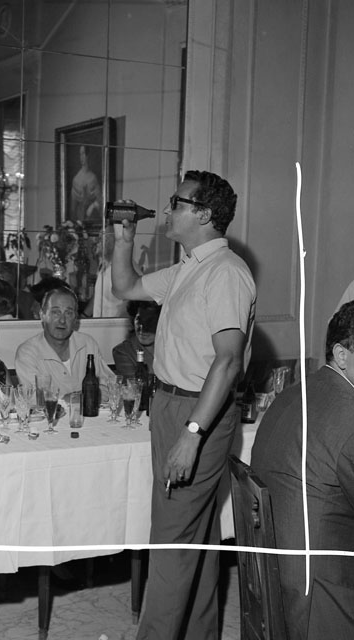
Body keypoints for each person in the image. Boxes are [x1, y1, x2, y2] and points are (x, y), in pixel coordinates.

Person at [111, 170, 256, 640]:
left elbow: (228, 361)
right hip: (171, 404)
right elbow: (125, 287)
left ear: (205, 214)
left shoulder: (226, 272)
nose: (167, 208)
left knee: (171, 544)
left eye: (178, 202)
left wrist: (192, 435)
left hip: (198, 413)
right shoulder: (189, 267)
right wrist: (124, 240)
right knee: (196, 535)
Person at [251, 301, 354, 639]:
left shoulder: (297, 393)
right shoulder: (349, 417)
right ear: (342, 355)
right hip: (322, 594)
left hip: (274, 575)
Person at [15, 286, 115, 398]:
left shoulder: (87, 344)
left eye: (68, 313)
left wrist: (74, 397)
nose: (62, 320)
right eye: (55, 312)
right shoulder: (28, 352)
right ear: (42, 315)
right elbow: (34, 399)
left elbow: (110, 386)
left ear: (75, 319)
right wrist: (84, 395)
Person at [84, 225, 128, 318]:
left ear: (114, 241)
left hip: (115, 325)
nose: (98, 243)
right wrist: (84, 316)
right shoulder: (104, 265)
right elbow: (98, 296)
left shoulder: (126, 267)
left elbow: (132, 301)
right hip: (99, 324)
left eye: (102, 239)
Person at [112, 300, 161, 378]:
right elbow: (135, 384)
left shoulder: (173, 347)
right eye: (139, 320)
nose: (142, 327)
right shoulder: (123, 351)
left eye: (149, 321)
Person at [70, 144, 102, 222]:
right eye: (80, 154)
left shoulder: (93, 178)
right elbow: (73, 209)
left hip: (92, 219)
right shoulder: (76, 179)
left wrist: (93, 206)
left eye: (83, 153)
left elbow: (100, 201)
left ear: (88, 156)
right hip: (80, 220)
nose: (81, 157)